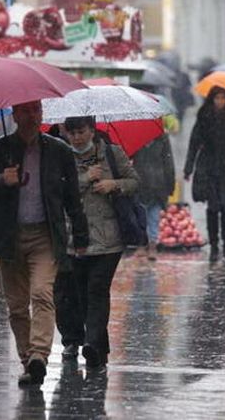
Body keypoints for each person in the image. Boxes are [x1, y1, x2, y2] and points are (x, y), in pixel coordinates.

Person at [0, 100, 89, 387]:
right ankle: (28, 362)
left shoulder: (59, 151)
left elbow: (72, 196)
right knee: (18, 307)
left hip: (45, 236)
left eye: (36, 110)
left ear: (42, 113)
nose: (32, 116)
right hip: (9, 237)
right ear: (14, 114)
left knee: (42, 294)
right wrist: (0, 179)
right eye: (25, 111)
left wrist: (81, 236)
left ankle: (39, 356)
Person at [61, 116, 139, 369]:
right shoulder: (60, 155)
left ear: (92, 130)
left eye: (81, 131)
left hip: (109, 238)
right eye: (71, 133)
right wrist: (85, 179)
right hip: (76, 237)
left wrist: (112, 184)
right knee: (80, 293)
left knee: (97, 288)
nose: (77, 138)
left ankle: (92, 344)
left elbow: (134, 181)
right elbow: (56, 190)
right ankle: (96, 347)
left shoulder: (112, 153)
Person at [184, 86, 225, 262]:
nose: (220, 102)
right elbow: (194, 143)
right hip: (209, 169)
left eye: (223, 98)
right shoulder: (204, 117)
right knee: (212, 208)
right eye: (217, 98)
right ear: (212, 100)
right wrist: (189, 167)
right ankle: (214, 246)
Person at [132, 133, 176, 261]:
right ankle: (143, 244)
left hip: (157, 185)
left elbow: (168, 163)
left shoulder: (162, 139)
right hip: (141, 184)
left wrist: (170, 185)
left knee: (153, 217)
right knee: (142, 215)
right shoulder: (136, 139)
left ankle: (151, 245)